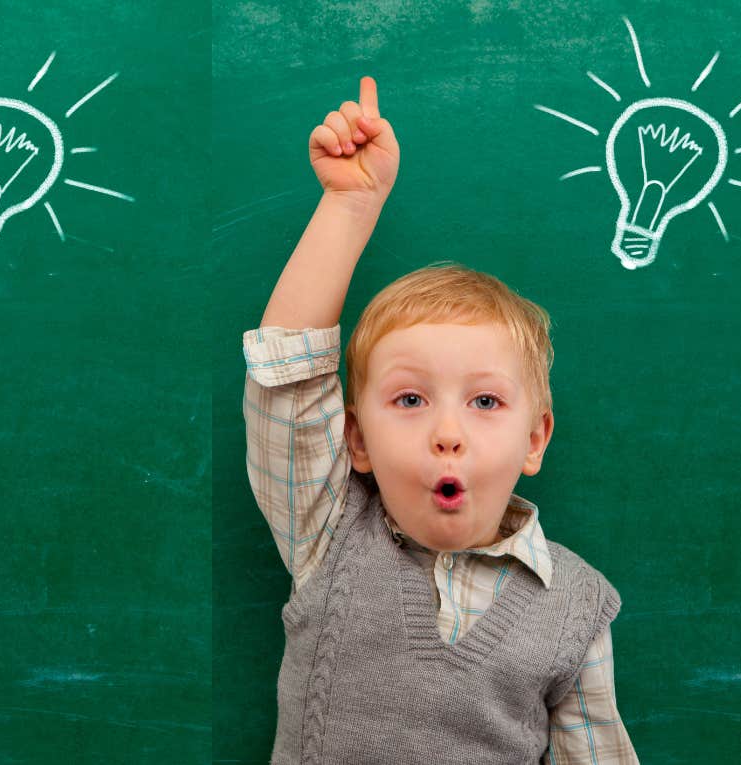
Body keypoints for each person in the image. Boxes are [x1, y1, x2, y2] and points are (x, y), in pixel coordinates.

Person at [243, 76, 637, 763]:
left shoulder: (576, 607)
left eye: (484, 402)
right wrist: (351, 203)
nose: (446, 433)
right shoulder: (327, 534)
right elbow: (287, 373)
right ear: (357, 441)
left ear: (536, 437)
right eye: (410, 399)